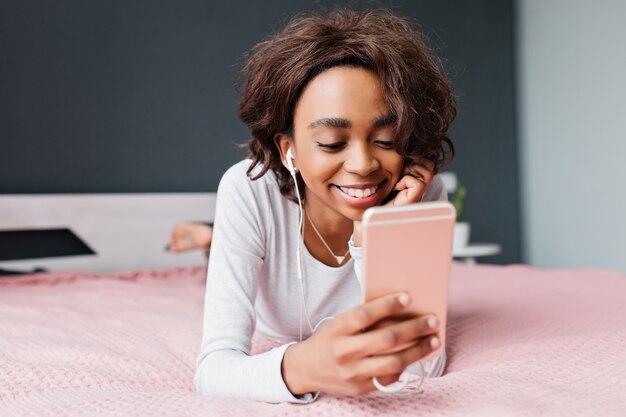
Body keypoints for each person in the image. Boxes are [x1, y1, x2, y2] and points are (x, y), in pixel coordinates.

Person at [194, 8, 456, 403]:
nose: (364, 164)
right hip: (257, 241)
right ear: (289, 150)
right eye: (333, 143)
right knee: (209, 248)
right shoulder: (248, 190)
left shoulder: (417, 195)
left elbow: (426, 364)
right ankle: (201, 237)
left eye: (386, 140)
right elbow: (213, 369)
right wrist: (304, 366)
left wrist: (375, 239)